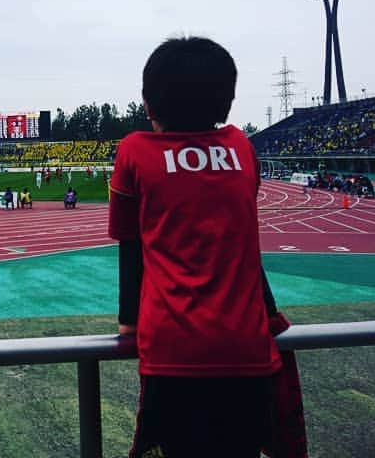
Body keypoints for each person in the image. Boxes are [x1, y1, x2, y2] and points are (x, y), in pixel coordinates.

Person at [108, 37, 289, 457]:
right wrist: (271, 312)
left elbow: (130, 245)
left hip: (171, 351)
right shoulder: (242, 147)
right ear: (226, 102)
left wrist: (128, 323)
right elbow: (242, 238)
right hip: (247, 350)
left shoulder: (133, 151)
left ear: (149, 104)